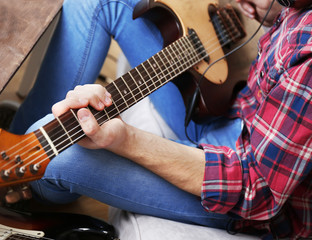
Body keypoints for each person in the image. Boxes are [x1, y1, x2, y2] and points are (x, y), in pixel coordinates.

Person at [3, 0, 312, 239]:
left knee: (55, 153)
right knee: (100, 3)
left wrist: (126, 140)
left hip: (242, 194)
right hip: (230, 116)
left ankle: (22, 182)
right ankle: (11, 158)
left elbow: (256, 190)